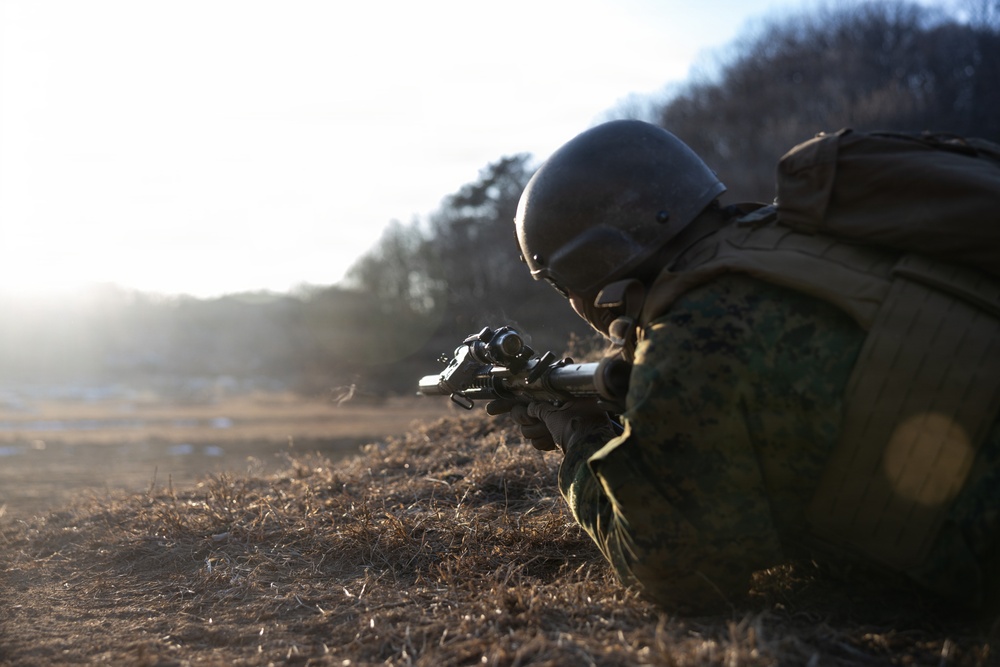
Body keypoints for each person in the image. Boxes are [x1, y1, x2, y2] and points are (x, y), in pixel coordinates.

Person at [494, 119, 1000, 615]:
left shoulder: (695, 335)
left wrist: (579, 437)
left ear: (587, 270)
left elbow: (681, 572)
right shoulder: (796, 234)